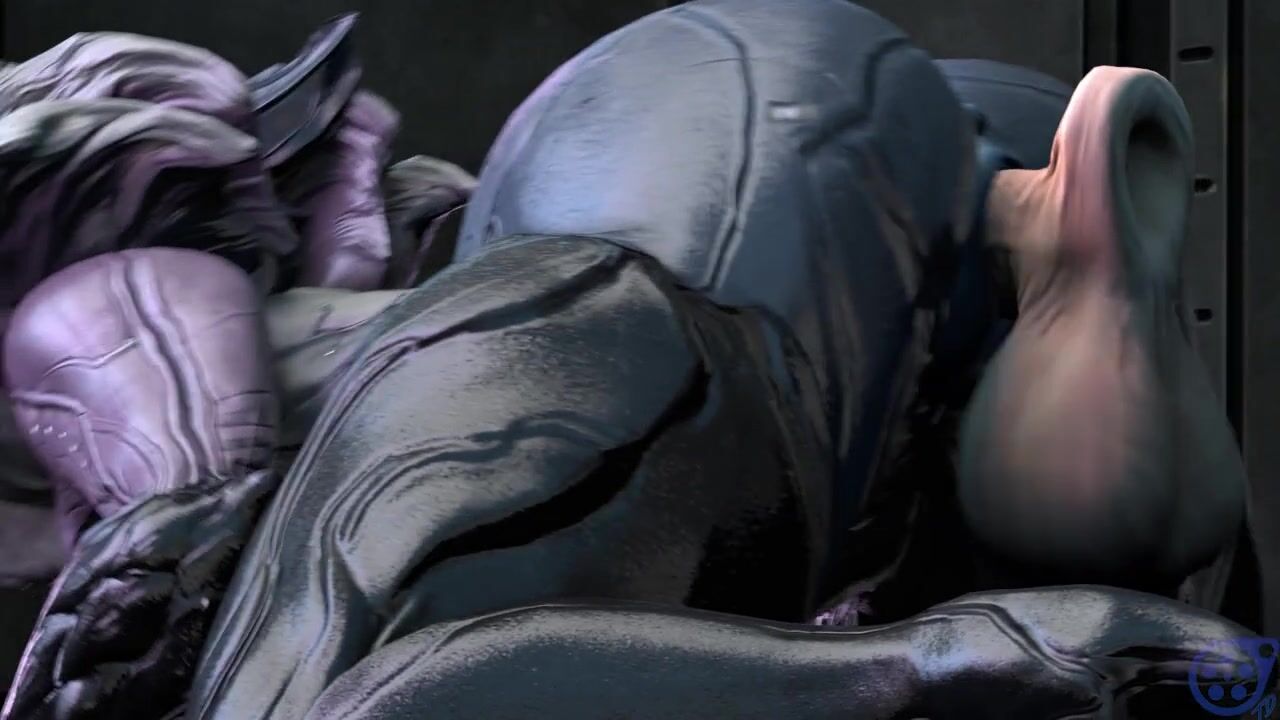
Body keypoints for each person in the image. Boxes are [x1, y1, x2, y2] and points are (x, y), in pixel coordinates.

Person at [1, 0, 1255, 718]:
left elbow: (145, 416)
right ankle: (1039, 223)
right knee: (1170, 630)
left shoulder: (90, 304)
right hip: (762, 236)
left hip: (715, 243)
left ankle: (1040, 237)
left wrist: (159, 553)